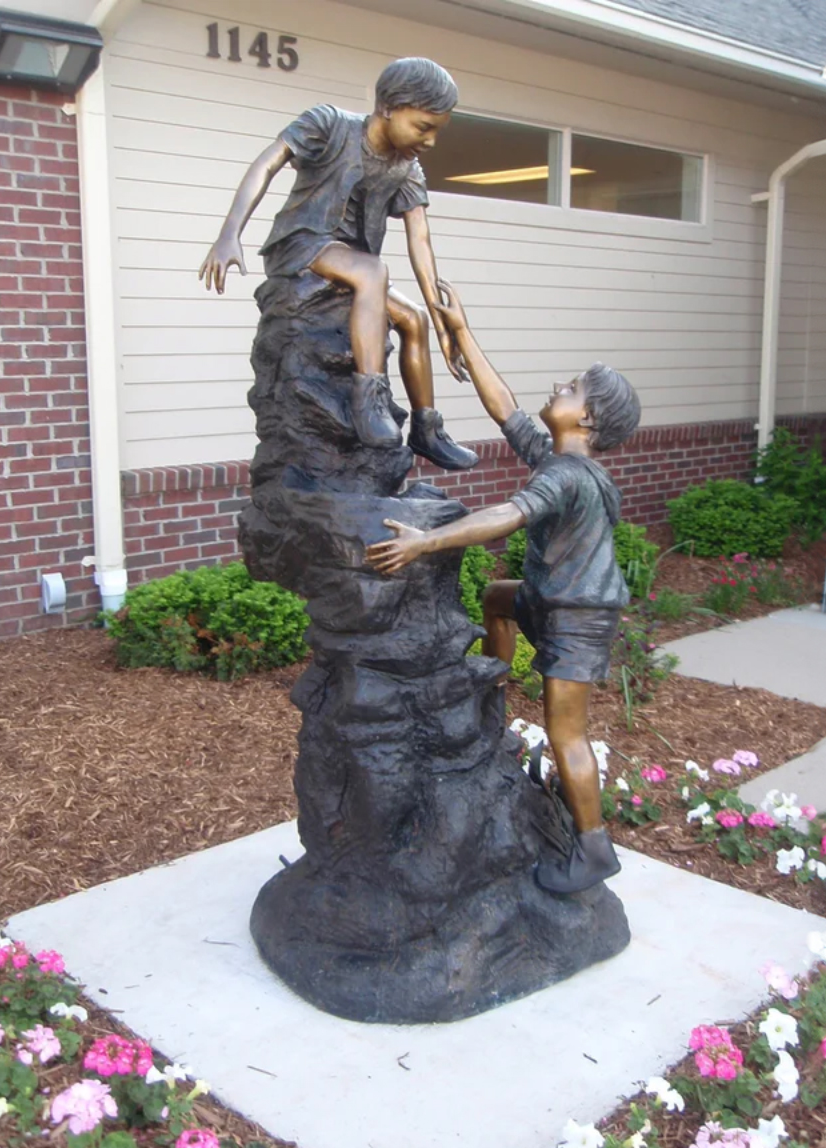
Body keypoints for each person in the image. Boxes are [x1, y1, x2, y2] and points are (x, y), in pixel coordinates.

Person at [366, 284, 641, 893]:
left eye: (569, 390)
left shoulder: (568, 476)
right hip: (547, 596)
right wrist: (461, 332)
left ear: (588, 419)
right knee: (495, 599)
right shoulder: (555, 456)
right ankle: (492, 682)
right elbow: (505, 408)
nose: (557, 390)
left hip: (578, 614)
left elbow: (508, 515)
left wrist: (424, 542)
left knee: (567, 731)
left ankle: (595, 849)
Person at [198, 57, 477, 472]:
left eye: (437, 129)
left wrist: (442, 327)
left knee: (412, 318)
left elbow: (421, 242)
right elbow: (268, 162)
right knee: (373, 272)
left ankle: (426, 429)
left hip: (355, 264)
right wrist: (229, 233)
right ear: (388, 108)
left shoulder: (407, 167)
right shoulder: (329, 124)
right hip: (302, 247)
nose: (431, 140)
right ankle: (369, 400)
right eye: (423, 127)